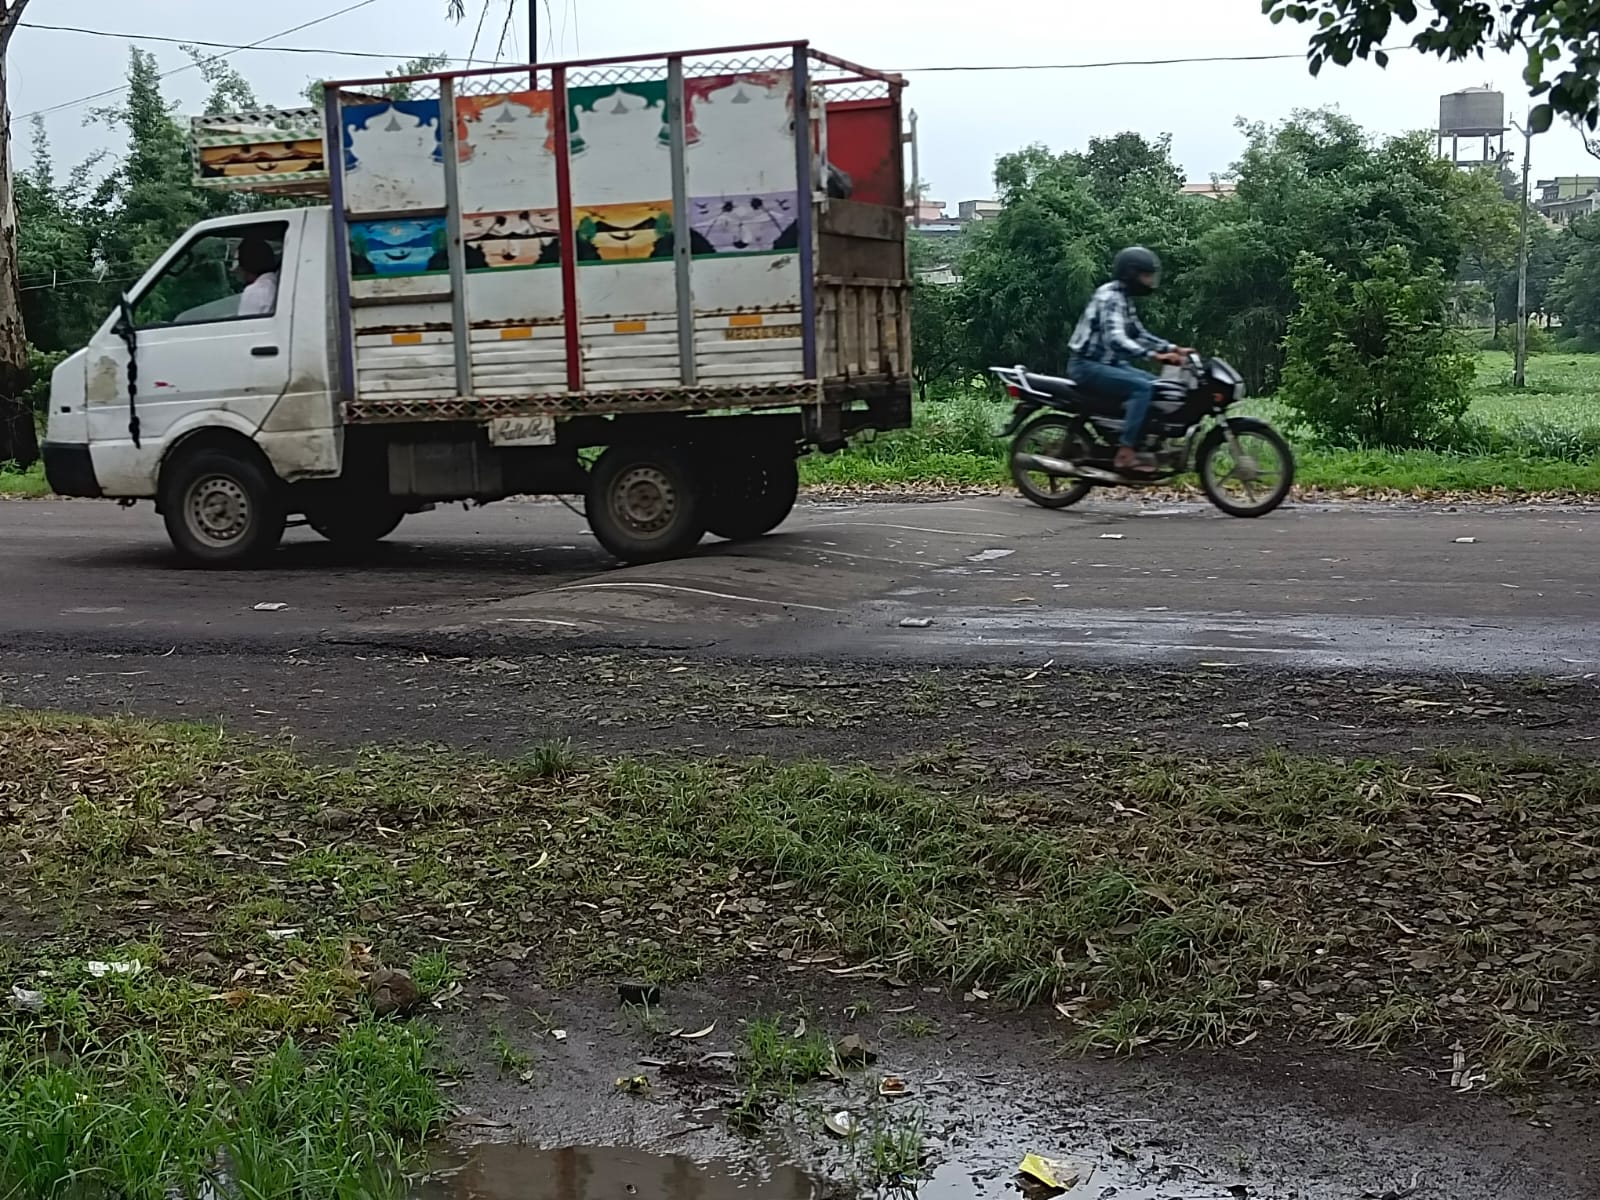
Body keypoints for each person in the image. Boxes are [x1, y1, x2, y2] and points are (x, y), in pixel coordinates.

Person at [1066, 246, 1191, 475]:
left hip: (1107, 363)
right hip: (1087, 365)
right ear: (1131, 273)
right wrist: (1154, 356)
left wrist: (1173, 348)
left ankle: (1136, 440)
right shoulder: (1110, 297)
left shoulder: (1123, 298)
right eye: (1146, 275)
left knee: (1156, 385)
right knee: (1141, 388)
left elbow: (1138, 333)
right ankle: (1125, 452)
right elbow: (1116, 339)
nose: (1150, 281)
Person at [235, 237, 279, 317]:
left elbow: (244, 324)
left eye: (238, 262)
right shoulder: (277, 283)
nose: (236, 269)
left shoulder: (254, 291)